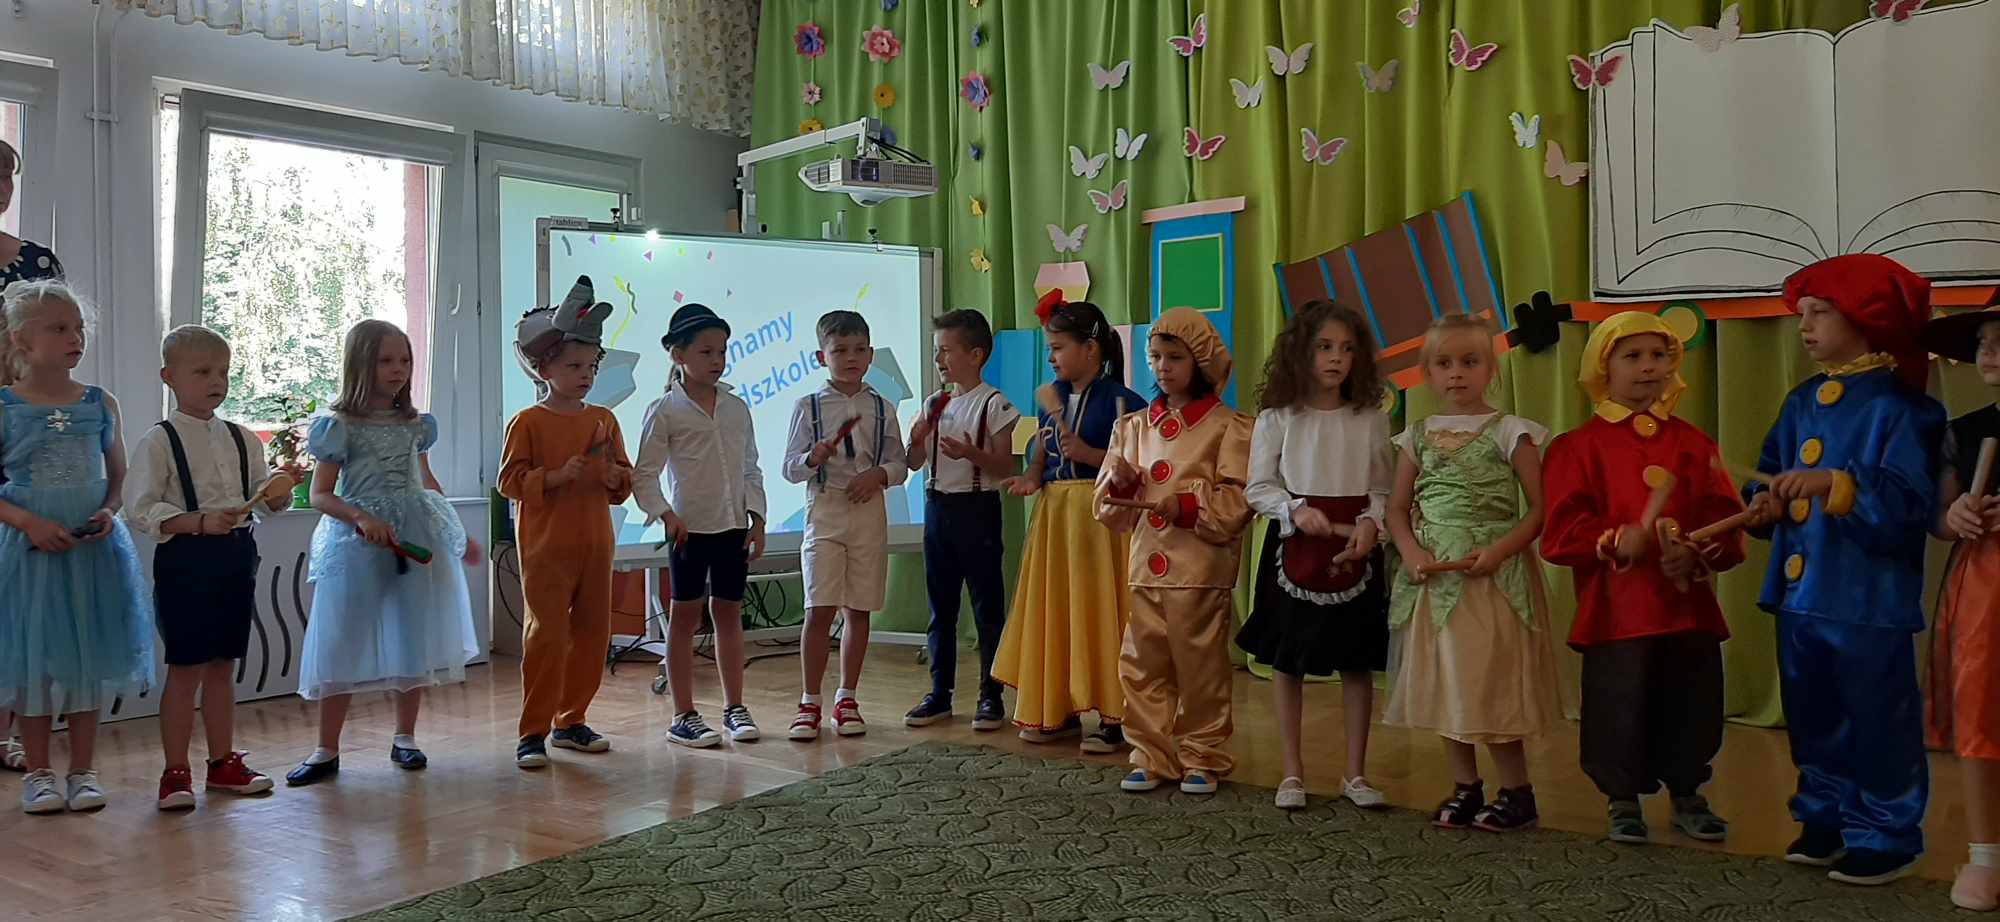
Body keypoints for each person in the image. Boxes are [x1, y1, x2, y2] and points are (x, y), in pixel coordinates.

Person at [1742, 254, 1943, 886]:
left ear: (1866, 318)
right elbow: (1769, 470)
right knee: (1813, 714)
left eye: (1820, 312)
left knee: (1877, 717)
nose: (1804, 326)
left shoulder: (1905, 409)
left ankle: (1886, 831)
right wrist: (1763, 504)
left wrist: (1835, 483)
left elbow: (1908, 503)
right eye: (1802, 313)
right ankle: (1824, 815)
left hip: (1867, 600)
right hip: (1800, 595)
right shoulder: (1800, 401)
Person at [1541, 311, 1744, 846]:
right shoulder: (1577, 447)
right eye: (1633, 356)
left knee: (1691, 702)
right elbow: (1561, 531)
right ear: (1602, 367)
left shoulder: (1694, 444)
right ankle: (1622, 799)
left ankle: (1688, 793)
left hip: (1686, 608)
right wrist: (1612, 540)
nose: (1649, 367)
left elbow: (1724, 517)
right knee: (1618, 703)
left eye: (1659, 356)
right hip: (1617, 610)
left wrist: (1695, 553)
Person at [1383, 313, 1564, 831]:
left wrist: (1500, 551)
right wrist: (1411, 551)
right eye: (1444, 364)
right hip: (1436, 580)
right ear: (1427, 373)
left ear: (1492, 370)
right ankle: (1466, 786)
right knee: (1448, 679)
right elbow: (1396, 509)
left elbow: (1538, 510)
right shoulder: (1416, 437)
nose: (1457, 373)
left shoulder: (1512, 433)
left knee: (1492, 680)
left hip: (1492, 582)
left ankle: (1517, 791)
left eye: (1470, 362)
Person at [285, 320, 483, 785]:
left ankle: (405, 737)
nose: (399, 369)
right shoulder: (339, 426)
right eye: (386, 361)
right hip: (355, 543)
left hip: (414, 536)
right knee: (341, 638)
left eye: (405, 360)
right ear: (361, 365)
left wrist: (456, 535)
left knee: (410, 634)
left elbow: (426, 483)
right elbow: (319, 494)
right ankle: (326, 748)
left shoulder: (416, 425)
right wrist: (360, 518)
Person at [0, 278, 155, 813]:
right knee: (35, 663)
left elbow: (119, 477)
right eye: (59, 329)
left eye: (79, 328)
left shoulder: (99, 403)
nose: (75, 338)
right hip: (30, 555)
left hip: (91, 553)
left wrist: (109, 511)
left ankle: (84, 771)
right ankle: (38, 773)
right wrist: (27, 522)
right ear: (22, 338)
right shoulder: (5, 406)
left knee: (87, 659)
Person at [126, 324, 294, 808]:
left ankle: (222, 763)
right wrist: (197, 521)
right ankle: (174, 773)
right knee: (185, 669)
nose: (216, 381)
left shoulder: (244, 438)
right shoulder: (159, 442)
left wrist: (277, 495)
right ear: (169, 377)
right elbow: (140, 508)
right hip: (186, 562)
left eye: (223, 372)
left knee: (223, 666)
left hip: (236, 560)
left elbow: (261, 497)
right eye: (202, 372)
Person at [1237, 300, 1395, 811]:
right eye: (1325, 347)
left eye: (1346, 349)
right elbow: (1258, 487)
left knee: (1356, 663)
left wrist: (1370, 523)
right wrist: (1295, 510)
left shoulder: (1371, 419)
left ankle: (1355, 772)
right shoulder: (1277, 418)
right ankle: (1292, 772)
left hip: (1355, 550)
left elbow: (1382, 488)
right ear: (1300, 351)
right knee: (1289, 663)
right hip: (1294, 547)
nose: (1336, 358)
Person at [1097, 307, 1253, 795]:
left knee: (1201, 669)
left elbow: (1237, 500)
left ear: (1201, 361)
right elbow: (1106, 507)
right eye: (1155, 357)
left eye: (1175, 357)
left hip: (1199, 571)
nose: (1163, 367)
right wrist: (1122, 482)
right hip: (1146, 568)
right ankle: (1150, 755)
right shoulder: (1132, 428)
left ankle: (1202, 755)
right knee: (1141, 667)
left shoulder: (1229, 427)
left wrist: (1186, 505)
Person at [991, 295, 1144, 753]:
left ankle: (1118, 716)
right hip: (1057, 519)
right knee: (1060, 612)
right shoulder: (1050, 400)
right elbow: (1042, 451)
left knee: (1104, 612)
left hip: (1103, 521)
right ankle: (1058, 709)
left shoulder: (1124, 402)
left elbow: (1138, 469)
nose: (1052, 358)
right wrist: (1032, 477)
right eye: (1049, 349)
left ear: (1091, 349)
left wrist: (1093, 456)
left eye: (1058, 348)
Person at [498, 277, 633, 768]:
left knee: (594, 634)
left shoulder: (603, 419)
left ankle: (571, 720)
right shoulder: (528, 422)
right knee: (548, 636)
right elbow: (509, 481)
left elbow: (624, 478)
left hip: (595, 544)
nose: (586, 375)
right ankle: (532, 731)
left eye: (591, 366)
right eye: (574, 366)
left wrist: (613, 476)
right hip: (546, 548)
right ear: (544, 368)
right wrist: (555, 477)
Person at [633, 302, 768, 748]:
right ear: (678, 355)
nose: (717, 360)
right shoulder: (665, 410)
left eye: (722, 352)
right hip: (689, 531)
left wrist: (757, 518)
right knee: (684, 618)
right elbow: (644, 474)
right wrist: (666, 514)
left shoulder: (736, 408)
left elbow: (750, 467)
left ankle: (734, 708)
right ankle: (683, 715)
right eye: (706, 352)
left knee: (729, 612)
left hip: (732, 528)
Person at [781, 311, 906, 740]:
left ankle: (847, 697)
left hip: (868, 512)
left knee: (859, 607)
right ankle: (809, 701)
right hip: (825, 510)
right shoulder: (808, 406)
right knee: (819, 607)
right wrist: (810, 458)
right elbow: (789, 468)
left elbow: (899, 463)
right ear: (822, 357)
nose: (850, 358)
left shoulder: (882, 407)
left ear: (870, 355)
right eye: (839, 350)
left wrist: (880, 475)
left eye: (859, 350)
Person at [903, 309, 1021, 730]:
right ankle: (940, 693)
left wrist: (970, 453)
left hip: (977, 508)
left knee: (987, 607)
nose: (938, 359)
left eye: (946, 350)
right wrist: (916, 441)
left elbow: (1005, 466)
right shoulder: (934, 403)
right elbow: (913, 462)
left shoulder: (994, 403)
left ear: (975, 355)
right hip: (938, 508)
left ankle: (991, 695)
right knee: (941, 608)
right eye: (936, 351)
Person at [1922, 293, 2000, 911]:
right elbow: (1941, 519)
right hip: (1987, 586)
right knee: (1980, 709)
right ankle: (1985, 853)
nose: (1990, 352)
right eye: (1982, 342)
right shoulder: (1967, 431)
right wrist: (1956, 516)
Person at [0, 139, 66, 772]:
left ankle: (15, 733)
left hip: (26, 425)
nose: (0, 187)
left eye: (6, 176)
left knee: (24, 598)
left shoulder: (36, 261)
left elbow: (60, 340)